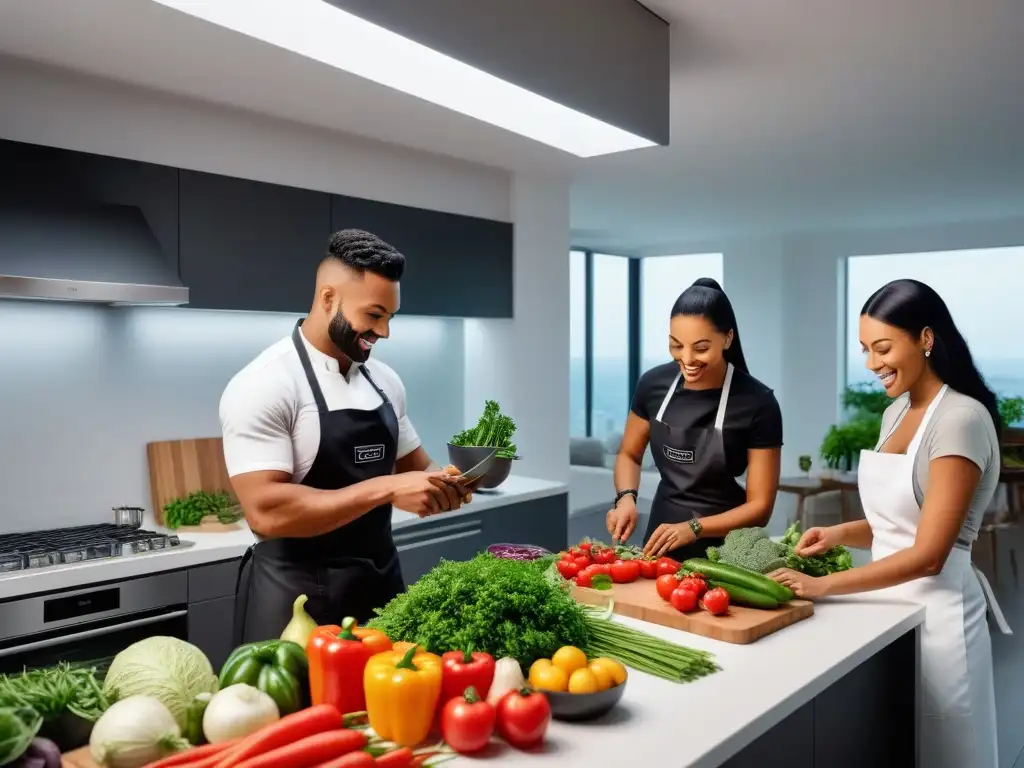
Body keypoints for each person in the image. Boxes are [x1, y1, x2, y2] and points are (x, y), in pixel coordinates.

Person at [769, 278, 1011, 768]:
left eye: (882, 347)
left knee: (943, 751)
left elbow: (929, 554)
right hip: (885, 613)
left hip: (939, 618)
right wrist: (839, 533)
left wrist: (825, 586)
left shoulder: (960, 420)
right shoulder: (896, 411)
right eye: (864, 349)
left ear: (925, 338)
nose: (872, 363)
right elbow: (898, 523)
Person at [220, 229, 472, 644]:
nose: (385, 332)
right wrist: (388, 488)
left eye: (391, 318)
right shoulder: (265, 383)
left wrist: (457, 481)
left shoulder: (385, 382)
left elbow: (418, 469)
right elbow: (265, 510)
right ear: (328, 298)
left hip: (382, 596)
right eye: (374, 315)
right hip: (297, 609)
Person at [606, 277, 783, 561]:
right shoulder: (652, 386)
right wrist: (626, 497)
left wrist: (695, 528)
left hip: (727, 553)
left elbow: (760, 508)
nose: (687, 359)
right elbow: (629, 454)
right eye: (676, 345)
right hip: (660, 542)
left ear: (727, 338)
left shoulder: (758, 403)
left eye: (700, 348)